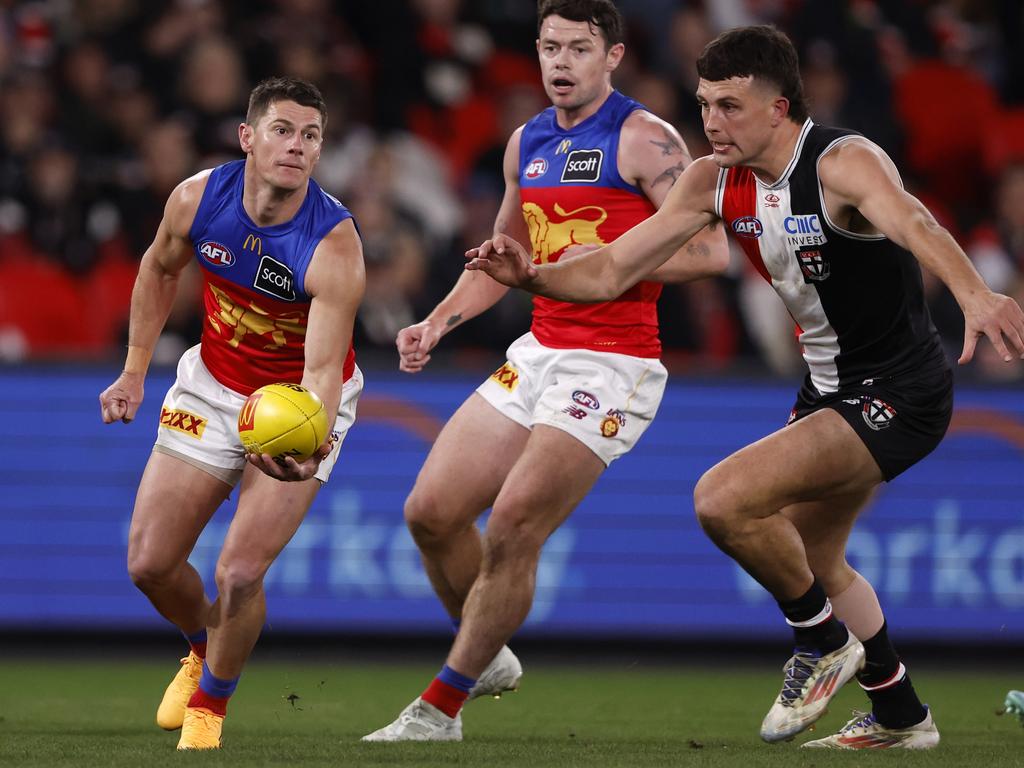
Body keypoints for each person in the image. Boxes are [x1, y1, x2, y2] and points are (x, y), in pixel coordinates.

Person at [466, 25, 1024, 750]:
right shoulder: (710, 181)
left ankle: (821, 643)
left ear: (779, 108)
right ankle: (901, 716)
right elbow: (610, 270)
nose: (711, 122)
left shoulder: (841, 163)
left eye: (729, 106)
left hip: (901, 391)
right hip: (828, 388)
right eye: (704, 104)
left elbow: (915, 222)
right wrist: (532, 275)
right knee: (816, 558)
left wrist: (978, 294)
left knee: (721, 499)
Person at [362, 0, 728, 743]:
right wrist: (435, 322)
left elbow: (709, 252)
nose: (561, 63)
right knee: (429, 513)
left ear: (613, 56)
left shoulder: (645, 139)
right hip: (538, 352)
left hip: (615, 360)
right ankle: (486, 651)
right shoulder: (525, 142)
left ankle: (440, 708)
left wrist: (602, 271)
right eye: (551, 48)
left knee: (514, 527)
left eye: (580, 49)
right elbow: (501, 260)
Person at [98, 76, 365, 750]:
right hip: (213, 384)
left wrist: (312, 438)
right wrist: (134, 370)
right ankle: (200, 646)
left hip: (294, 404)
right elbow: (159, 269)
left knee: (240, 571)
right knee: (150, 563)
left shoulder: (332, 245)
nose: (297, 146)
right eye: (282, 130)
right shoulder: (197, 198)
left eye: (310, 136)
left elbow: (323, 368)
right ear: (248, 137)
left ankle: (211, 706)